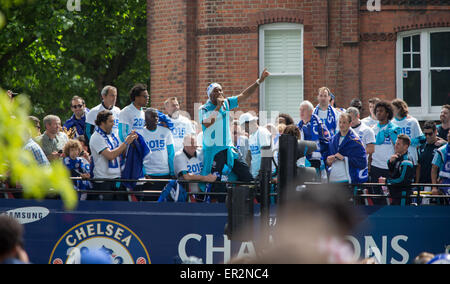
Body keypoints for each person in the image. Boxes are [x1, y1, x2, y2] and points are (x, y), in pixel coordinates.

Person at [199, 68, 270, 184]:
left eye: (221, 90)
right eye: (216, 91)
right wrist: (217, 107)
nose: (219, 93)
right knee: (215, 181)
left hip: (228, 148)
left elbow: (244, 95)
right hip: (214, 150)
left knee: (245, 174)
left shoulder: (226, 103)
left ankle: (251, 198)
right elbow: (207, 123)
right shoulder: (204, 108)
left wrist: (259, 81)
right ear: (210, 94)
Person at [89, 110, 137, 201]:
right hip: (103, 181)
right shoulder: (96, 137)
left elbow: (120, 152)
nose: (113, 124)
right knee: (107, 212)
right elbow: (110, 155)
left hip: (117, 179)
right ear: (102, 123)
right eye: (111, 121)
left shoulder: (112, 135)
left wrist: (131, 141)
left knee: (120, 209)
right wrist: (126, 142)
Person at [138, 108, 175, 201]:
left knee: (166, 205)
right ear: (145, 118)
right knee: (150, 204)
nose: (156, 119)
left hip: (165, 174)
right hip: (149, 176)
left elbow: (171, 154)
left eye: (157, 116)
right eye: (153, 116)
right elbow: (138, 156)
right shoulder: (140, 134)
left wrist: (172, 172)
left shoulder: (166, 132)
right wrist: (144, 173)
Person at [370, 101, 401, 204]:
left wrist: (393, 136)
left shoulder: (395, 128)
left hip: (389, 167)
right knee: (377, 197)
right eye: (377, 111)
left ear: (387, 113)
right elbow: (371, 148)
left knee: (391, 196)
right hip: (376, 166)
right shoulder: (373, 129)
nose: (378, 113)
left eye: (381, 111)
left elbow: (399, 148)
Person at [326, 113, 368, 185]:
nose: (341, 125)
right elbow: (327, 159)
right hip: (333, 179)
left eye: (344, 122)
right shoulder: (333, 140)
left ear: (350, 124)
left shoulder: (355, 141)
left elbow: (362, 163)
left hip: (347, 180)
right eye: (340, 122)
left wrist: (344, 158)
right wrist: (328, 161)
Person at [174, 134, 217, 202]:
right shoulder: (179, 156)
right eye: (191, 143)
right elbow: (186, 176)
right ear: (184, 144)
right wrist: (205, 178)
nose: (194, 146)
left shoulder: (201, 152)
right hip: (187, 196)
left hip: (203, 193)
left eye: (195, 143)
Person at [297, 100, 331, 179]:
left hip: (316, 161)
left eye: (304, 110)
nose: (301, 112)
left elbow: (327, 142)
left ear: (311, 111)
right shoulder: (299, 127)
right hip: (302, 162)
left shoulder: (319, 125)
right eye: (300, 110)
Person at [383, 134, 415, 205]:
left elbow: (402, 180)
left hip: (402, 196)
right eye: (395, 143)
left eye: (398, 144)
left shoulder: (407, 160)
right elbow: (393, 174)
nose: (395, 146)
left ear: (405, 147)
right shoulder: (397, 157)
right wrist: (390, 162)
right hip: (395, 194)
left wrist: (386, 181)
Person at [239, 112, 272, 179]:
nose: (243, 130)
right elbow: (250, 156)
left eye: (244, 127)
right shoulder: (251, 136)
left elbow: (266, 154)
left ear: (247, 124)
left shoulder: (262, 132)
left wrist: (262, 172)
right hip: (256, 175)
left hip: (264, 176)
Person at [391, 99, 423, 166]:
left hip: (411, 157)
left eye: (393, 109)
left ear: (399, 109)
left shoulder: (412, 121)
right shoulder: (391, 123)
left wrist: (407, 142)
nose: (391, 111)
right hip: (397, 158)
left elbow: (420, 140)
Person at [416, 121, 440, 186]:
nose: (427, 136)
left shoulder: (441, 147)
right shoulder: (421, 147)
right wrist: (417, 183)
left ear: (435, 132)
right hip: (422, 183)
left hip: (435, 184)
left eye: (430, 134)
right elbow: (419, 166)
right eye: (425, 134)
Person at [431, 130, 450, 197]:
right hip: (445, 182)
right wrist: (434, 187)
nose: (448, 135)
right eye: (448, 133)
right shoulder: (441, 151)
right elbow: (434, 168)